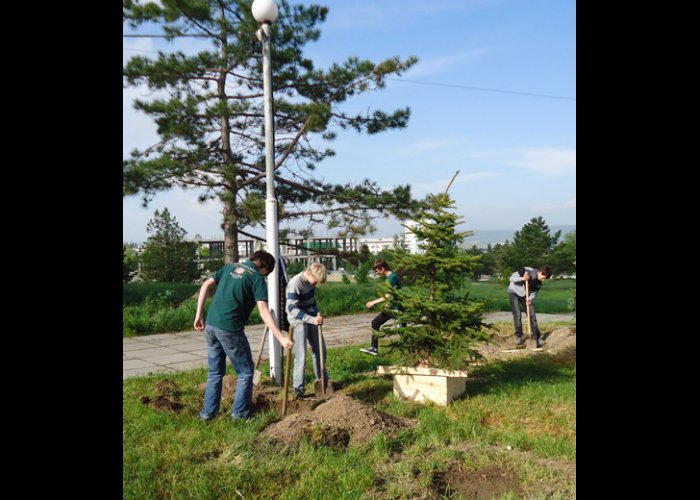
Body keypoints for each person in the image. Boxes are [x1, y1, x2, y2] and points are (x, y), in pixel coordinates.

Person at [194, 251, 294, 421]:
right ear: (265, 267)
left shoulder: (229, 267)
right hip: (230, 328)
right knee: (246, 372)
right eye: (268, 273)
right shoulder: (256, 278)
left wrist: (198, 315)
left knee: (215, 373)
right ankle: (240, 414)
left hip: (211, 324)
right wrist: (281, 338)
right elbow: (263, 311)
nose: (266, 276)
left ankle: (208, 414)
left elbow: (205, 286)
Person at [285, 263, 327, 399]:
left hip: (311, 316)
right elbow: (291, 308)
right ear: (309, 273)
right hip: (297, 320)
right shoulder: (295, 283)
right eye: (315, 281)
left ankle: (322, 381)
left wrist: (317, 314)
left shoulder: (311, 282)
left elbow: (310, 301)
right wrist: (311, 319)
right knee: (301, 356)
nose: (315, 285)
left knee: (320, 350)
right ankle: (298, 389)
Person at [360, 259, 402, 356]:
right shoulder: (391, 277)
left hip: (396, 308)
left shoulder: (392, 278)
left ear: (382, 268)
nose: (377, 273)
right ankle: (374, 348)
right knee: (375, 322)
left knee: (403, 331)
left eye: (377, 271)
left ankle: (412, 351)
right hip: (392, 307)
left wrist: (373, 302)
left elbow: (388, 295)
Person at [508, 265, 552, 348]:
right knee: (517, 315)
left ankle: (536, 337)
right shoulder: (526, 270)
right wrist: (522, 279)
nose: (543, 280)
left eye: (545, 279)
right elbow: (512, 278)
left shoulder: (539, 284)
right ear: (539, 272)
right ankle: (518, 336)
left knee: (532, 315)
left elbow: (534, 293)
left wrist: (530, 299)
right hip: (514, 292)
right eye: (543, 277)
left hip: (525, 295)